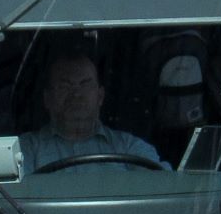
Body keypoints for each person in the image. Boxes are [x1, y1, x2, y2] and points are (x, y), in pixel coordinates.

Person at [21, 50, 168, 172]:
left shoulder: (129, 147)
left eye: (85, 85)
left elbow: (164, 186)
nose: (76, 94)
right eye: (65, 86)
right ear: (47, 99)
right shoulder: (26, 150)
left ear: (100, 96)